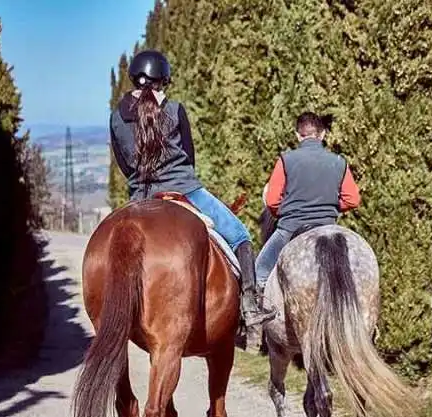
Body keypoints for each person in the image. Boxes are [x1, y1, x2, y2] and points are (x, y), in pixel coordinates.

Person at [109, 49, 276, 337]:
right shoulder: (174, 110)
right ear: (164, 81)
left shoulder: (116, 117)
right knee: (239, 235)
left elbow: (123, 164)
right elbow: (189, 155)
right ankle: (250, 306)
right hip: (184, 188)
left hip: (140, 197)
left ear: (133, 79)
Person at [256, 112, 361, 289]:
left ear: (297, 135)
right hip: (328, 226)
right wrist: (332, 206)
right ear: (322, 134)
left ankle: (257, 313)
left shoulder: (286, 160)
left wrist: (285, 213)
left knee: (260, 271)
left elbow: (272, 201)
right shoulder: (338, 161)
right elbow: (353, 199)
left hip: (290, 228)